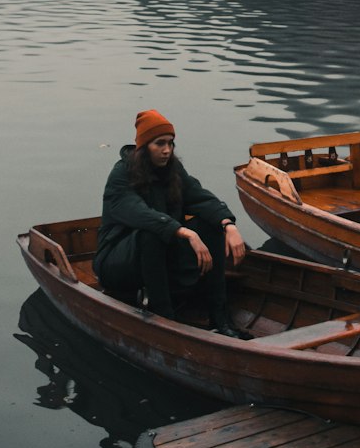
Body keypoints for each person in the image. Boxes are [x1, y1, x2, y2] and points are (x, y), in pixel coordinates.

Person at [95, 110, 249, 335]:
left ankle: (220, 319)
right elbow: (139, 213)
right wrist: (184, 232)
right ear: (144, 146)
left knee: (211, 225)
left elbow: (199, 197)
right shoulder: (121, 175)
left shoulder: (172, 171)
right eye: (159, 143)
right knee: (151, 233)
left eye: (170, 143)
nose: (167, 150)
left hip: (161, 257)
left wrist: (228, 224)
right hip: (118, 263)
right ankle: (166, 320)